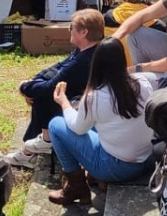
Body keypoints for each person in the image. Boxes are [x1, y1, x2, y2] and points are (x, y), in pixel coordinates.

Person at [46, 37, 156, 204]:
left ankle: (76, 187)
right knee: (104, 124)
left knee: (55, 125)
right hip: (146, 159)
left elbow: (78, 129)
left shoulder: (95, 97)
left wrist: (64, 103)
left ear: (96, 63)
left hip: (116, 166)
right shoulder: (142, 82)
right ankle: (97, 177)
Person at [11, 9, 104, 167]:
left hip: (81, 108)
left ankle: (41, 144)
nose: (69, 30)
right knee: (42, 89)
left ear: (84, 32)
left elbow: (49, 87)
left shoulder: (82, 62)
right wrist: (33, 81)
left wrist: (24, 87)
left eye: (71, 27)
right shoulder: (86, 51)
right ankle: (40, 142)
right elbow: (57, 68)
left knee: (44, 94)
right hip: (79, 98)